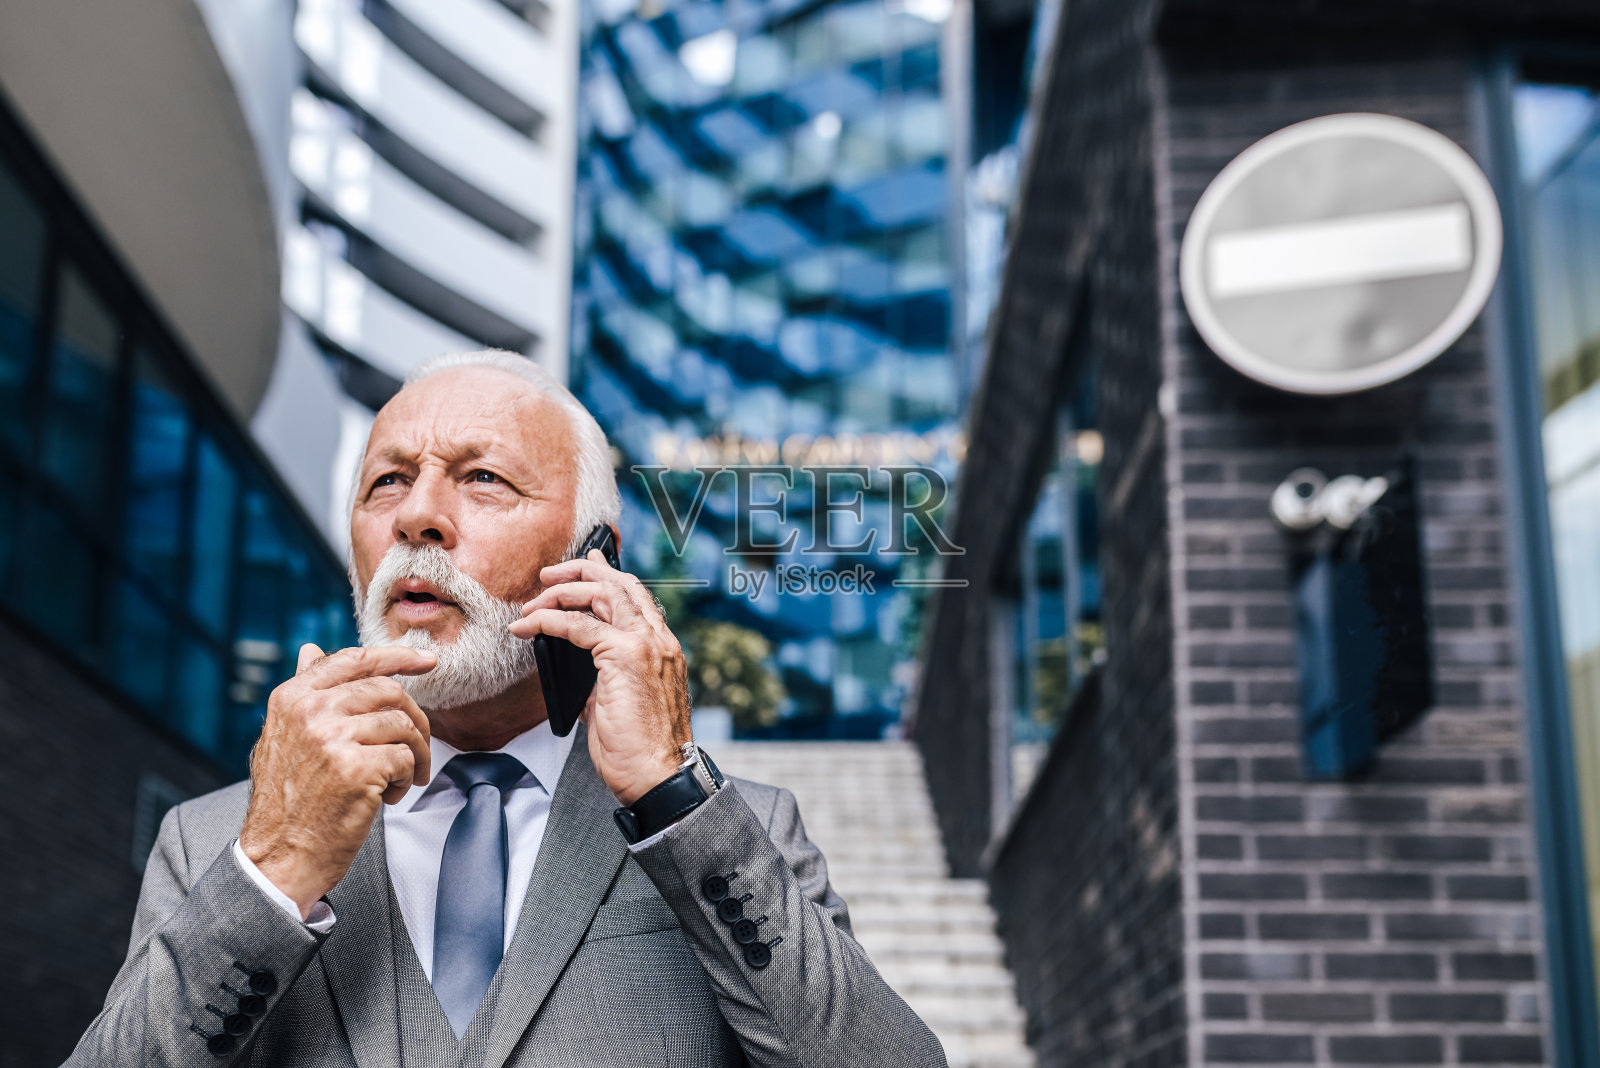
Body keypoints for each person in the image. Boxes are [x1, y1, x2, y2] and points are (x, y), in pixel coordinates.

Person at [67, 349, 946, 1067]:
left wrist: (672, 795)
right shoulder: (212, 843)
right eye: (386, 484)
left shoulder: (736, 828)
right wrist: (279, 868)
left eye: (481, 478)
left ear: (592, 557)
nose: (418, 516)